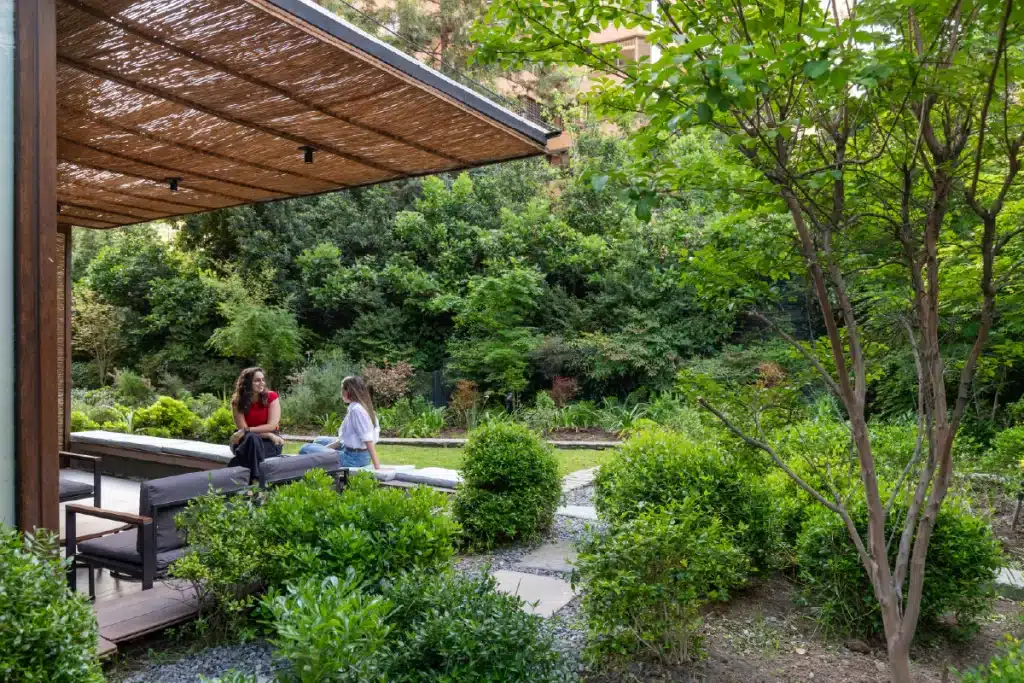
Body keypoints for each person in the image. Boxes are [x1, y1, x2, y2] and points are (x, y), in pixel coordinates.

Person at [299, 375, 381, 470]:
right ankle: (322, 456)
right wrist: (327, 448)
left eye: (342, 389)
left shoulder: (357, 410)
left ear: (349, 391)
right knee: (318, 441)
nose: (341, 393)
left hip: (353, 459)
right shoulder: (359, 407)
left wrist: (377, 467)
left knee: (305, 448)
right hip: (354, 452)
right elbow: (348, 437)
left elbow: (368, 439)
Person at [227, 367, 284, 476]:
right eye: (257, 380)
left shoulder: (271, 397)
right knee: (252, 439)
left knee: (251, 443)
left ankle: (242, 472)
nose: (262, 383)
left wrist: (248, 430)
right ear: (247, 383)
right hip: (245, 441)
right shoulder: (237, 401)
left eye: (263, 380)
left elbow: (271, 426)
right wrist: (268, 434)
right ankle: (256, 479)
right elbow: (243, 430)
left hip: (270, 443)